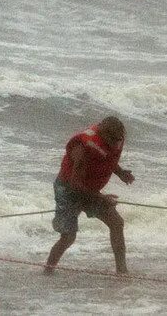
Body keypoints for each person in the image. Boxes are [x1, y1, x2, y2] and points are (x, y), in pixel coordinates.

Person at [45, 115, 134, 276]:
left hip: (91, 190)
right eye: (112, 140)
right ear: (103, 135)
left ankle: (122, 272)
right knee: (68, 237)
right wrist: (102, 198)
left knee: (116, 223)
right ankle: (48, 271)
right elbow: (75, 185)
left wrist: (121, 173)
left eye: (119, 140)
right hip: (68, 190)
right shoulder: (82, 148)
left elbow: (107, 158)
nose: (116, 144)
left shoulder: (114, 140)